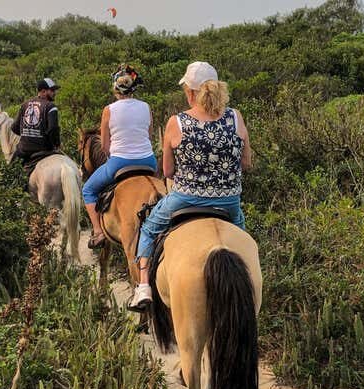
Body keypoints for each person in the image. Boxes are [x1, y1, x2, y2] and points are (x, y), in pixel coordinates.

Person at [129, 61, 252, 311]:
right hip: (229, 202)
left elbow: (167, 171)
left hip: (186, 198)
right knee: (246, 243)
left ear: (191, 92)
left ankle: (143, 286)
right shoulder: (235, 117)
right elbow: (246, 163)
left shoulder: (177, 122)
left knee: (149, 229)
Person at [82, 64, 157, 249]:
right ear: (133, 89)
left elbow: (105, 146)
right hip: (149, 161)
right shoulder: (146, 106)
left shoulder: (109, 110)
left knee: (88, 190)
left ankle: (99, 232)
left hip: (119, 162)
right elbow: (149, 135)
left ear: (115, 89)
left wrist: (112, 155)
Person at [11, 78, 61, 175]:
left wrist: (28, 134)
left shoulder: (24, 105)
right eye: (52, 90)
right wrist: (56, 145)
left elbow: (14, 128)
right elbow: (53, 130)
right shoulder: (51, 107)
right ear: (43, 91)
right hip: (43, 150)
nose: (54, 93)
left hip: (24, 150)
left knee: (11, 174)